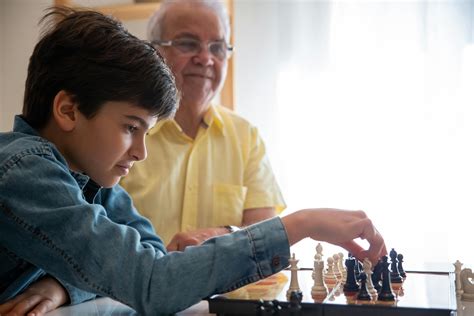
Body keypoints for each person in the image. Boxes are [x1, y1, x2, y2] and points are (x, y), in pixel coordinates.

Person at [0, 7, 386, 316]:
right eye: (131, 127)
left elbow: (150, 252)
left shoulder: (88, 175)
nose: (141, 151)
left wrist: (66, 284)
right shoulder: (26, 172)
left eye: (146, 132)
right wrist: (302, 224)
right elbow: (152, 281)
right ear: (68, 110)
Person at [120, 0, 286, 251]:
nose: (206, 58)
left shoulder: (245, 136)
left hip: (227, 290)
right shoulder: (123, 130)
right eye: (188, 43)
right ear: (154, 51)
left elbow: (267, 234)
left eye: (217, 47)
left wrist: (221, 234)